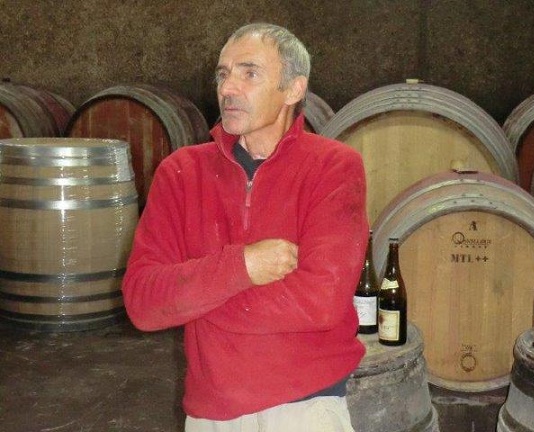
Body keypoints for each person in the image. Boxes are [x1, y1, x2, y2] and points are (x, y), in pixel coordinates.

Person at [122, 22, 369, 432]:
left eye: (249, 73)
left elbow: (322, 301)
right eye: (223, 74)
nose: (228, 88)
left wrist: (198, 303)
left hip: (306, 406)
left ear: (293, 89)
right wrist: (242, 267)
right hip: (211, 410)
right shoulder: (181, 173)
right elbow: (143, 303)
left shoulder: (333, 167)